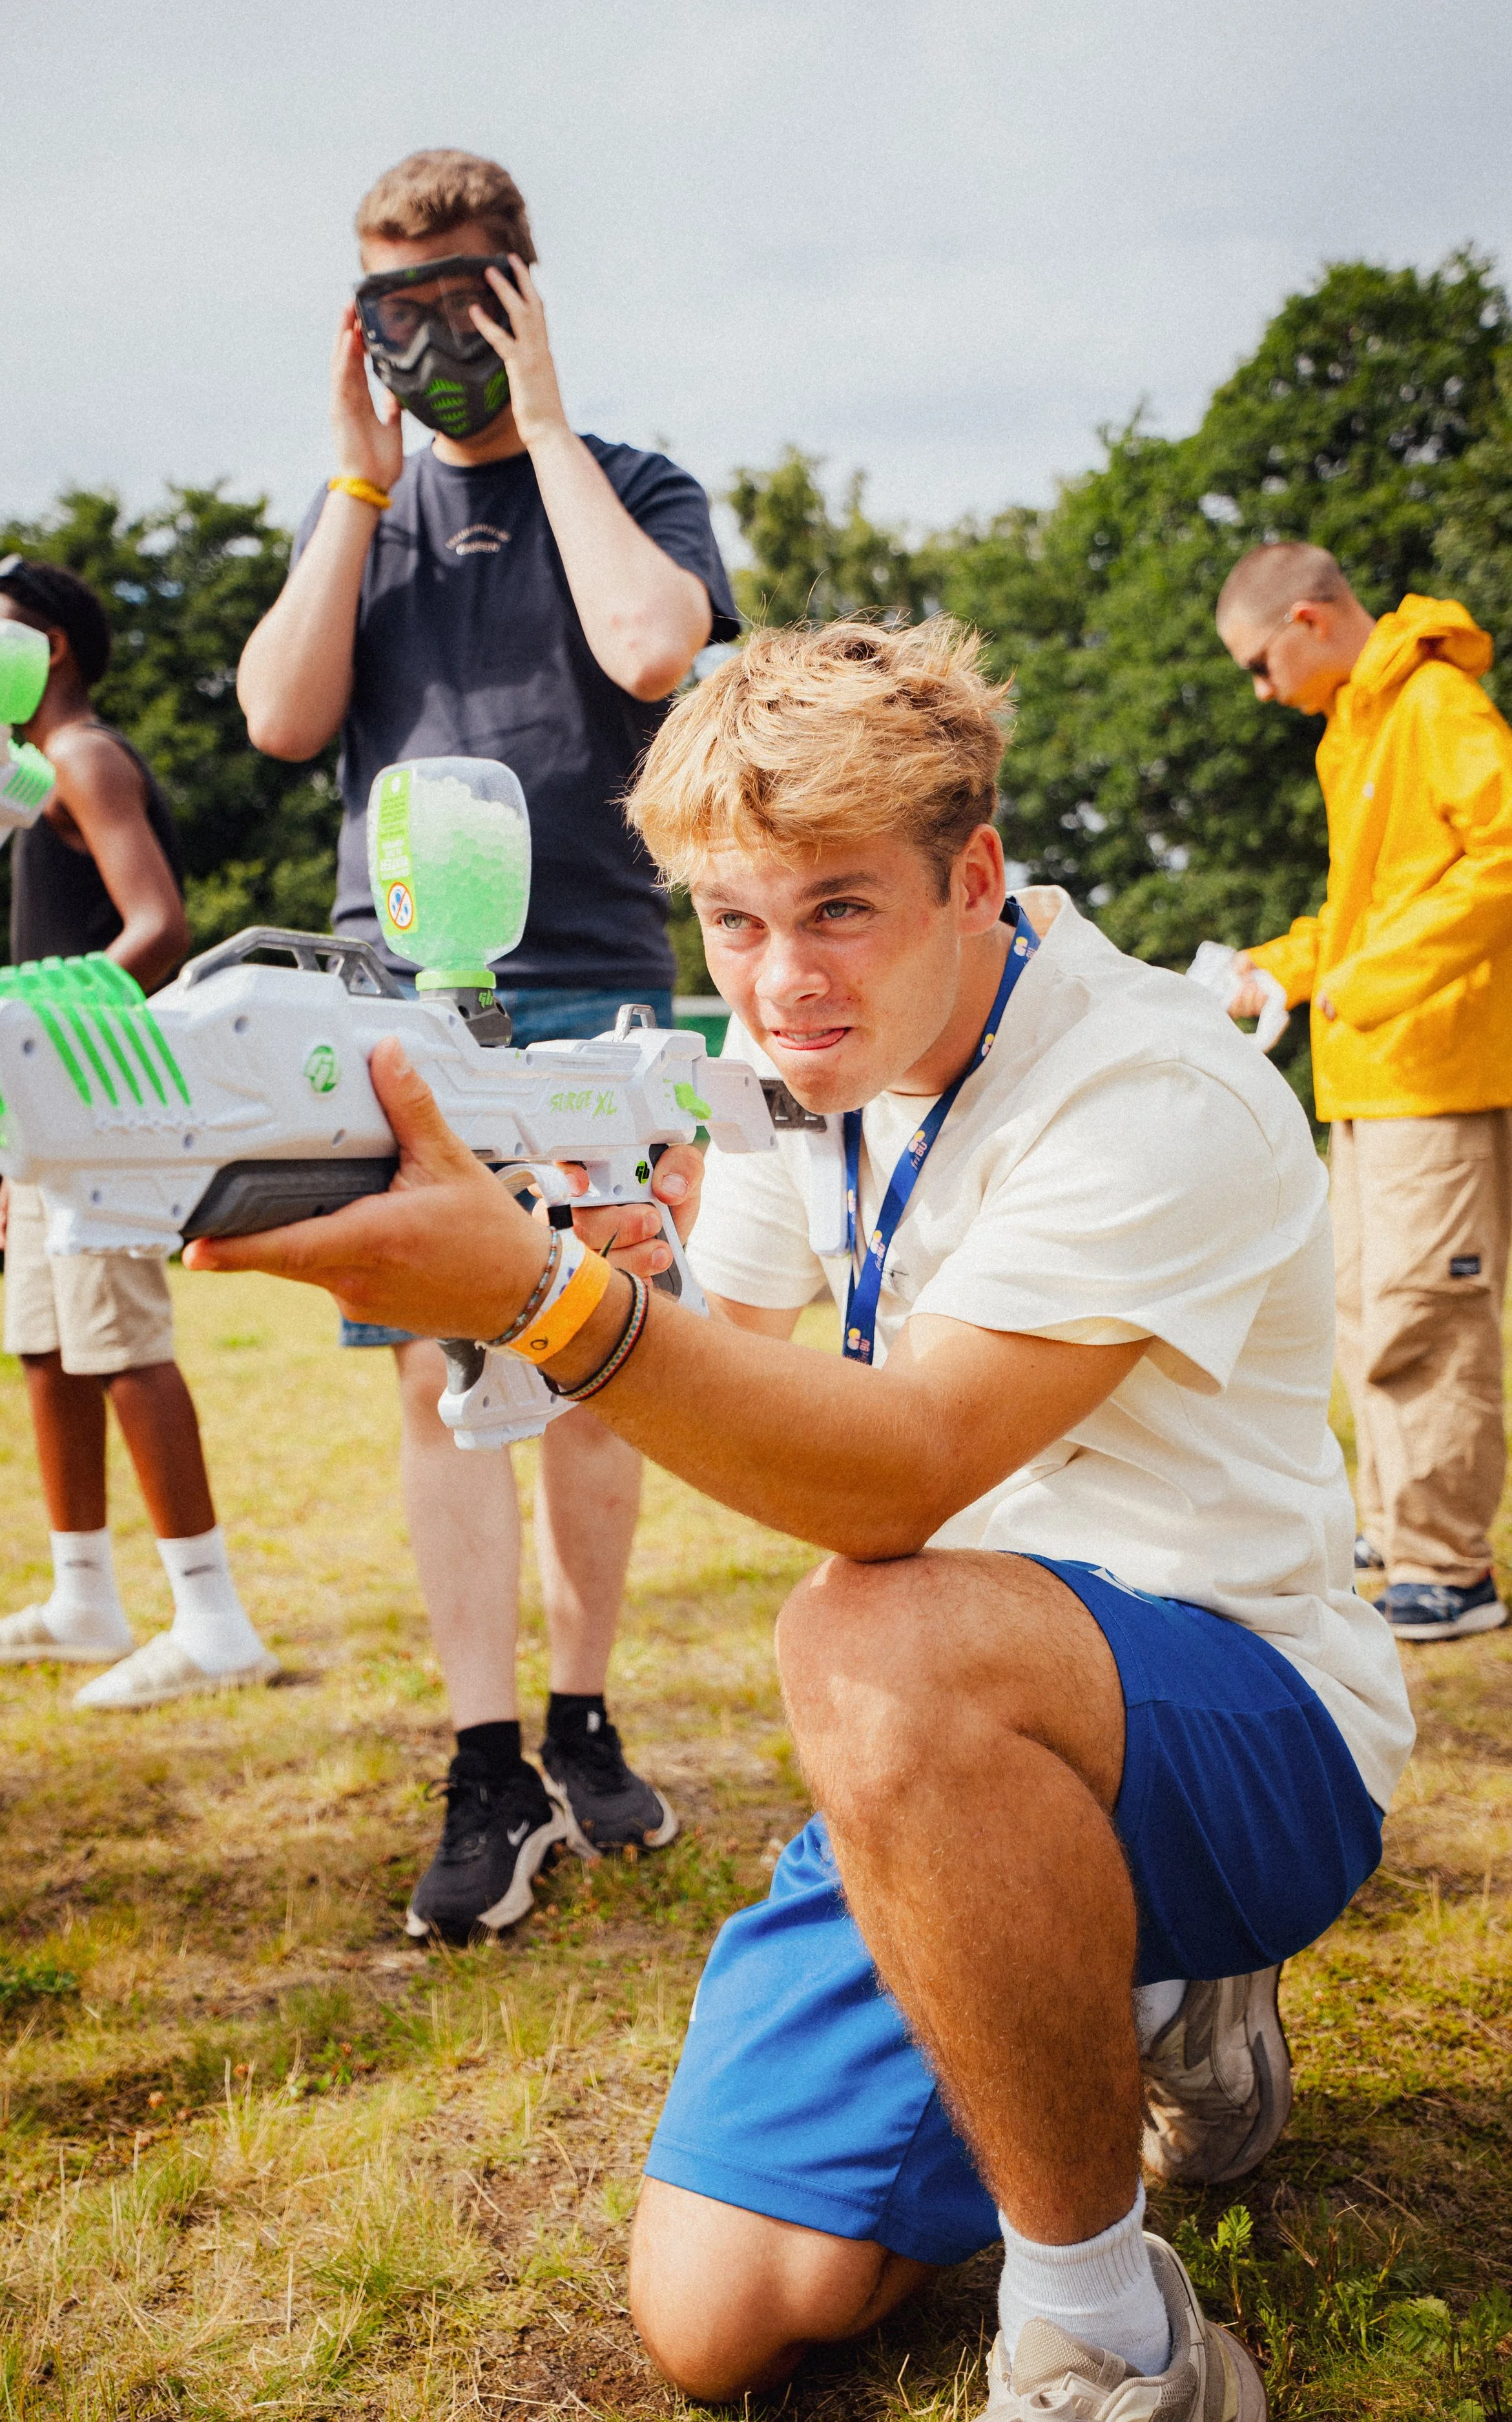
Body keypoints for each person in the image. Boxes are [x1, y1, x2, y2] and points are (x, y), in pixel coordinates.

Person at [185, 619, 1413, 2419]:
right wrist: (602, 1271)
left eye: (839, 907)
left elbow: (893, 1471)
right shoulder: (796, 1077)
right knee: (721, 2314)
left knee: (862, 1626)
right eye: (733, 919)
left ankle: (1104, 2331)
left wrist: (544, 1298)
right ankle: (1130, 1991)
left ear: (972, 877)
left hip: (1243, 1705)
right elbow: (737, 1357)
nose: (779, 983)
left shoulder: (1145, 1084)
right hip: (962, 1735)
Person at [236, 149, 739, 1940]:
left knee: (597, 1351)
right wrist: (350, 477)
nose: (425, 338)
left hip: (591, 976)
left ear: (519, 293)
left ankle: (584, 1715)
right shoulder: (359, 520)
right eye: (393, 306)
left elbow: (654, 645)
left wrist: (541, 419)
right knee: (433, 1373)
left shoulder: (633, 484)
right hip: (400, 1005)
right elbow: (279, 713)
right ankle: (483, 1763)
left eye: (458, 298)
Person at [0, 561, 277, 1709]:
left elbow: (158, 927)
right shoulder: (35, 776)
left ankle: (216, 1622)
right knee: (47, 1347)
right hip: (47, 1110)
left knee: (123, 1346)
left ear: (53, 647)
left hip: (95, 1096)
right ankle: (82, 1594)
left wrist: (43, 1050)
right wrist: (18, 1118)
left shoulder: (86, 757)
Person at [1220, 541, 1512, 1646]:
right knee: (1364, 1314)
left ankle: (1451, 1567)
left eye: (1259, 664)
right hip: (1372, 1080)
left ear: (1307, 620)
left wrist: (1367, 985)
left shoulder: (1434, 701)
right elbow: (1361, 921)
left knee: (1425, 1317)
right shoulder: (1357, 727)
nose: (1261, 691)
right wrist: (1273, 969)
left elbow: (1505, 852)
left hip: (1434, 1074)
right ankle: (1394, 1532)